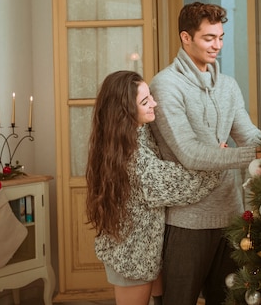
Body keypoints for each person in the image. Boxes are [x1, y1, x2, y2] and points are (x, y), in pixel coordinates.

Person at [149, 2, 261, 305]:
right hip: (187, 220)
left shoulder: (228, 86)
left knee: (230, 300)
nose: (217, 46)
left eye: (221, 37)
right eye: (208, 38)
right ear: (185, 38)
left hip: (231, 215)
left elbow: (248, 134)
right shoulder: (165, 85)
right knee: (178, 301)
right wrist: (253, 153)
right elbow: (190, 154)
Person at [86, 70, 221, 305]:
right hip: (132, 255)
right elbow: (182, 184)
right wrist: (219, 161)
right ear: (124, 110)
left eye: (151, 97)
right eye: (145, 101)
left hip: (143, 249)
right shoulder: (132, 157)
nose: (154, 104)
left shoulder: (127, 136)